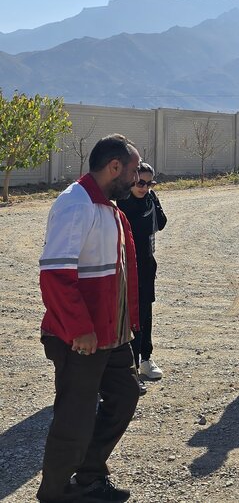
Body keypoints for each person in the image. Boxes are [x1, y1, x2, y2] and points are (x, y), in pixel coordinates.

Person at [37, 134, 142, 503]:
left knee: (125, 395)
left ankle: (89, 476)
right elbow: (55, 275)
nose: (137, 179)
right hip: (80, 337)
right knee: (75, 417)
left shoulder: (107, 207)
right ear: (114, 167)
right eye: (133, 171)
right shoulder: (75, 204)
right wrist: (80, 329)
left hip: (111, 335)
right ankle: (54, 493)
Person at [117, 161, 168, 392]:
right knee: (133, 318)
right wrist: (149, 207)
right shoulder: (123, 202)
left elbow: (162, 223)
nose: (144, 188)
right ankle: (131, 368)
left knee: (146, 314)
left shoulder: (150, 198)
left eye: (149, 184)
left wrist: (152, 200)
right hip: (128, 267)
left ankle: (146, 358)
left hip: (147, 265)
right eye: (140, 183)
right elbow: (137, 227)